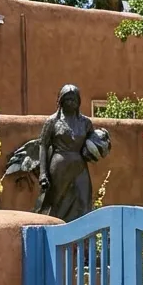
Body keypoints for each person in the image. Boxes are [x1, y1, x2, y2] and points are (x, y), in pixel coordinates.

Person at [36, 85, 95, 221]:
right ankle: (55, 234)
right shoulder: (52, 121)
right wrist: (43, 173)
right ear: (61, 101)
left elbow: (94, 140)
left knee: (83, 200)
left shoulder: (86, 123)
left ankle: (82, 235)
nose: (70, 102)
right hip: (59, 167)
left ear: (79, 101)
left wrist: (100, 145)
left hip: (80, 167)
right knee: (57, 203)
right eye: (67, 99)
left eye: (73, 99)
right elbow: (43, 145)